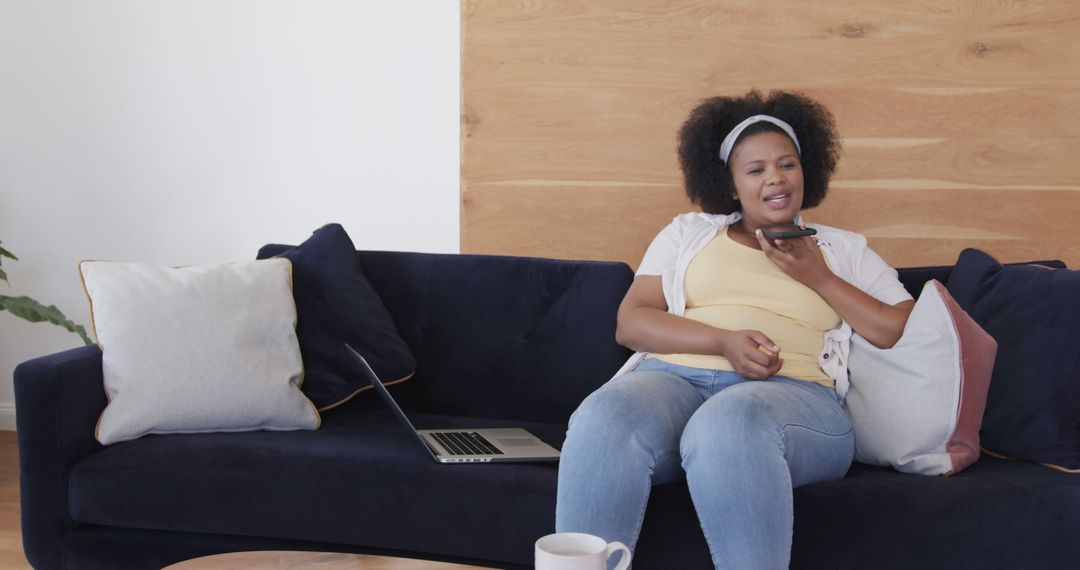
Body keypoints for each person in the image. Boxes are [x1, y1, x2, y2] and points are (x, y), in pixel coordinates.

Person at [555, 90, 916, 569]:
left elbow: (898, 327)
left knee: (730, 422)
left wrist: (817, 275)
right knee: (604, 415)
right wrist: (722, 342)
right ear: (730, 183)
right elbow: (632, 321)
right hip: (670, 383)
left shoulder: (842, 250)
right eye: (756, 170)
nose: (775, 179)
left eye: (787, 164)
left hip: (794, 398)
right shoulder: (688, 232)